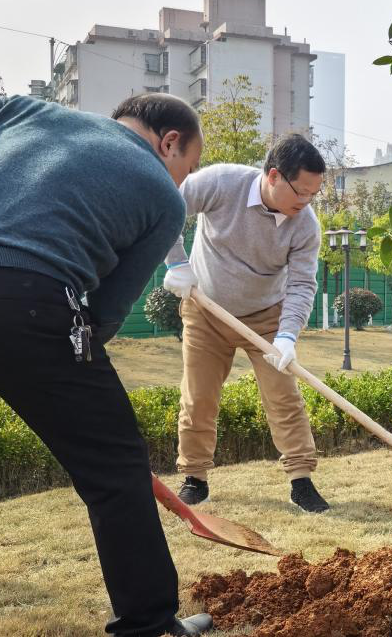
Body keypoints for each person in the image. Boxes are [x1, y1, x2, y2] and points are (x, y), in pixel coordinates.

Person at [0, 94, 213, 637]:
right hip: (34, 303)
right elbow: (105, 314)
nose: (182, 183)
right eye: (188, 169)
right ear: (169, 142)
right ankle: (148, 623)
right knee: (115, 469)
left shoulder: (20, 111)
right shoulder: (166, 204)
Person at [162, 134, 329, 513]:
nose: (305, 203)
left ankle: (301, 481)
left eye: (312, 195)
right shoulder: (220, 182)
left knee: (284, 396)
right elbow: (164, 207)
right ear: (273, 176)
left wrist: (287, 335)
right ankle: (194, 478)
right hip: (207, 311)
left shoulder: (305, 226)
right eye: (301, 192)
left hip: (267, 318)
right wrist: (175, 261)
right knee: (199, 397)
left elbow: (303, 284)